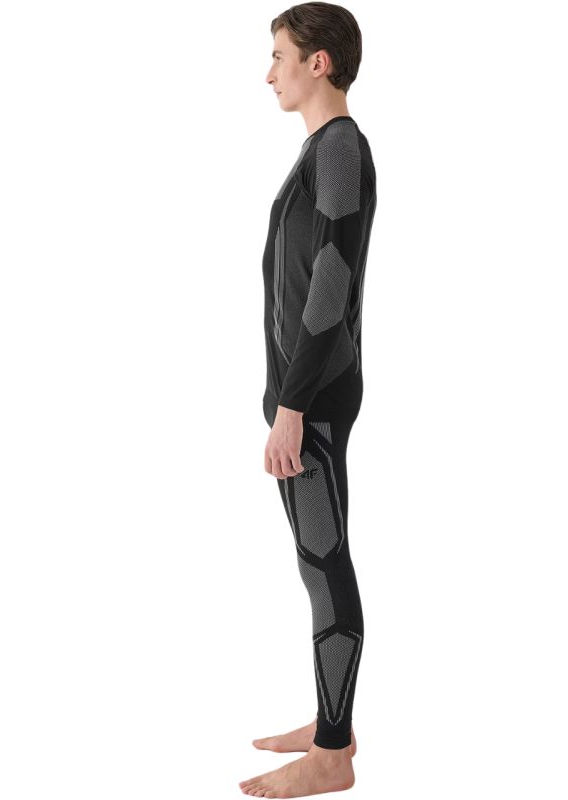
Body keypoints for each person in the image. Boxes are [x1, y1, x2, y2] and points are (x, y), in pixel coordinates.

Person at [240, 3, 377, 797]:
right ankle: (334, 722)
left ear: (317, 62)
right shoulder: (324, 150)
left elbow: (331, 284)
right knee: (314, 560)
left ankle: (332, 754)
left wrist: (292, 407)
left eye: (278, 56)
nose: (269, 74)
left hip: (315, 396)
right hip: (305, 392)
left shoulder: (341, 148)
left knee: (326, 562)